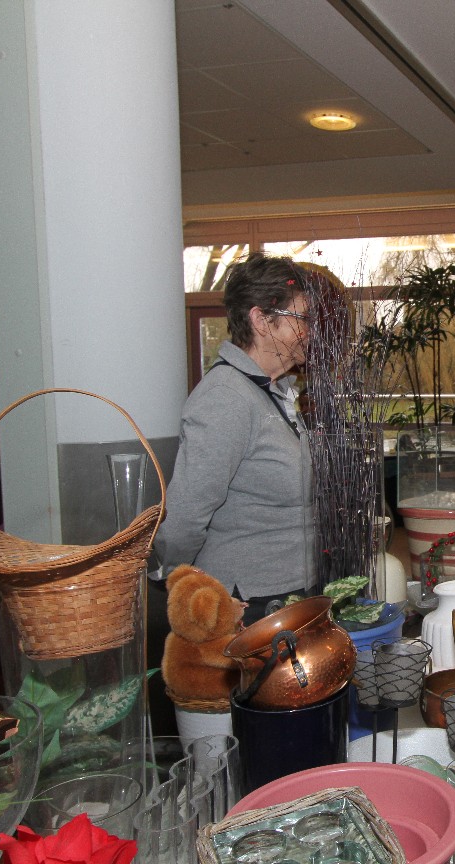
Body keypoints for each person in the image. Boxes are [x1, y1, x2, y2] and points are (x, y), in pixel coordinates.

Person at [156, 253, 318, 626]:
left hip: (287, 595)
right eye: (303, 319)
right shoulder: (226, 397)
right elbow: (185, 515)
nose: (311, 331)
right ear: (261, 320)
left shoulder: (272, 392)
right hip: (249, 605)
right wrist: (176, 582)